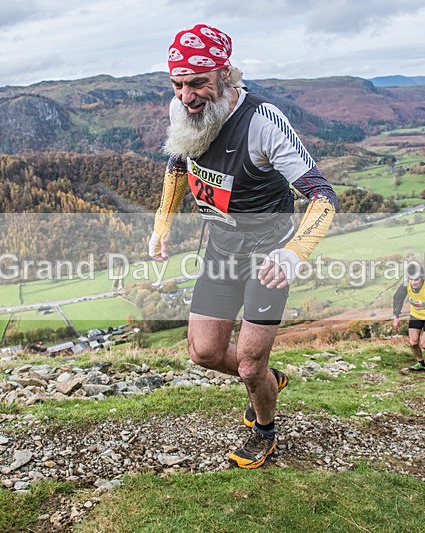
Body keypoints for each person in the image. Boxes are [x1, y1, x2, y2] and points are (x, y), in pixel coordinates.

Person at [149, 24, 337, 469]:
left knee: (250, 364)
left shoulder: (262, 123)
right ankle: (268, 381)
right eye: (178, 85)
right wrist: (162, 225)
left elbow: (323, 196)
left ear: (226, 74)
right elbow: (179, 164)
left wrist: (294, 254)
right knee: (205, 352)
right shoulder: (184, 111)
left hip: (268, 255)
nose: (187, 96)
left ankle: (264, 429)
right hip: (221, 249)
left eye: (198, 83)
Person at [392, 264, 425, 371]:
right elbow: (397, 298)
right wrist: (396, 316)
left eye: (416, 279)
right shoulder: (405, 285)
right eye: (410, 279)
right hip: (415, 315)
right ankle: (420, 362)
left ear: (421, 278)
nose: (413, 283)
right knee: (413, 342)